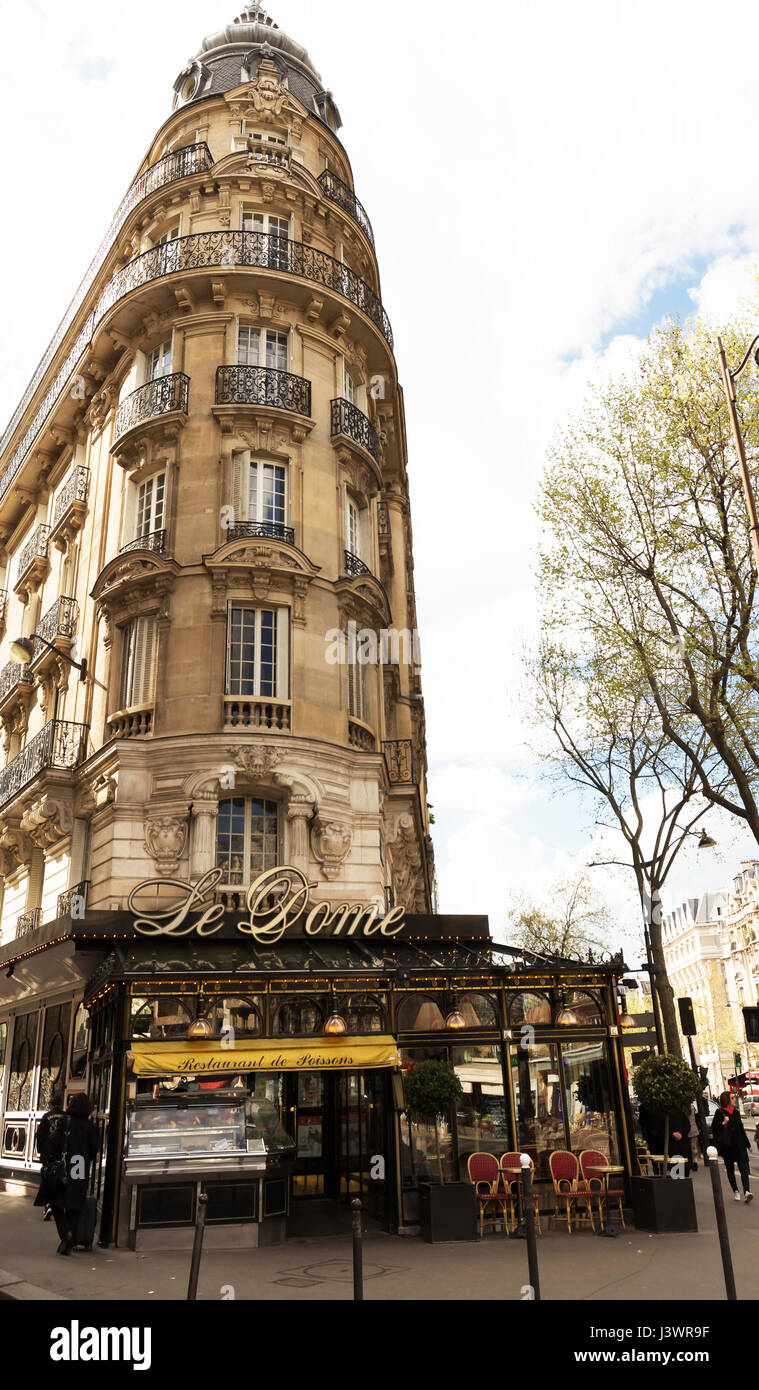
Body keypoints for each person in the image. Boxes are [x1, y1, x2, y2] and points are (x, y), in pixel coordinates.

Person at [41, 1093, 99, 1255]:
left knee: (56, 1202)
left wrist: (47, 1160)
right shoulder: (90, 1127)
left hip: (63, 1170)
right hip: (80, 1171)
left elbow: (52, 1143)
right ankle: (69, 1240)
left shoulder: (65, 1122)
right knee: (74, 1207)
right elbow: (94, 1151)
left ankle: (66, 1234)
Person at [712, 1091, 753, 1203]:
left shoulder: (736, 1112)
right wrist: (723, 1123)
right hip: (727, 1146)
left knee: (744, 1168)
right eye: (732, 1097)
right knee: (730, 1170)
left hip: (739, 1145)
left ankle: (747, 1192)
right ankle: (735, 1191)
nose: (734, 1099)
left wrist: (748, 1145)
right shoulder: (719, 1113)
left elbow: (741, 1129)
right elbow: (714, 1129)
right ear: (727, 1100)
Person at [34, 1092, 66, 1223]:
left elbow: (40, 1135)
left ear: (51, 1104)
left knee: (47, 1179)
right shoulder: (66, 1117)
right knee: (60, 1178)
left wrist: (41, 1151)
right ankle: (57, 1203)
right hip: (61, 1153)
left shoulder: (46, 1116)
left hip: (48, 1152)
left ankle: (47, 1205)